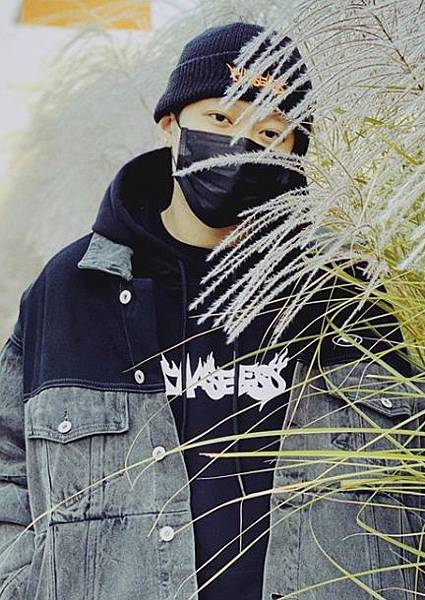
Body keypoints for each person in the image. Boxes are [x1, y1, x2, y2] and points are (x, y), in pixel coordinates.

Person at [0, 21, 422, 600]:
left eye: (270, 132)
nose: (241, 147)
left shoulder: (346, 289)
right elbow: (8, 462)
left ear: (296, 155)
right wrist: (21, 581)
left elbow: (406, 471)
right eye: (221, 119)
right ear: (171, 126)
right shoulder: (72, 289)